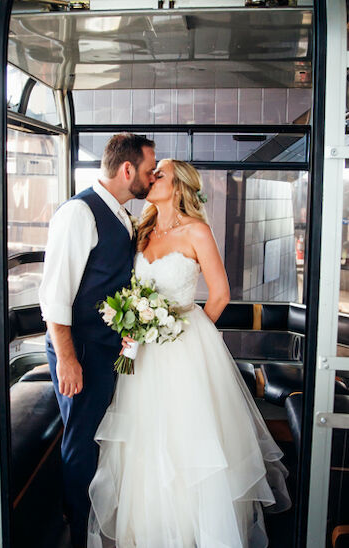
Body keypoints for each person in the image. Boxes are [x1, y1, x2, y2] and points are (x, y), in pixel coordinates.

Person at [87, 159, 291, 548]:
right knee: (146, 441)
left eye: (158, 174)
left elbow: (220, 295)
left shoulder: (197, 231)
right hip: (144, 355)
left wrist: (185, 330)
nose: (151, 177)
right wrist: (138, 327)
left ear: (178, 185)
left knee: (188, 441)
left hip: (183, 348)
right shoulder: (140, 229)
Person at [39, 133, 156, 548]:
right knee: (82, 440)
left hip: (109, 349)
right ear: (127, 170)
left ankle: (95, 520)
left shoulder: (122, 214)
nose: (151, 177)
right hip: (82, 351)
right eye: (148, 170)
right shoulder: (78, 214)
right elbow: (54, 298)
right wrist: (68, 360)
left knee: (99, 436)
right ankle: (76, 530)